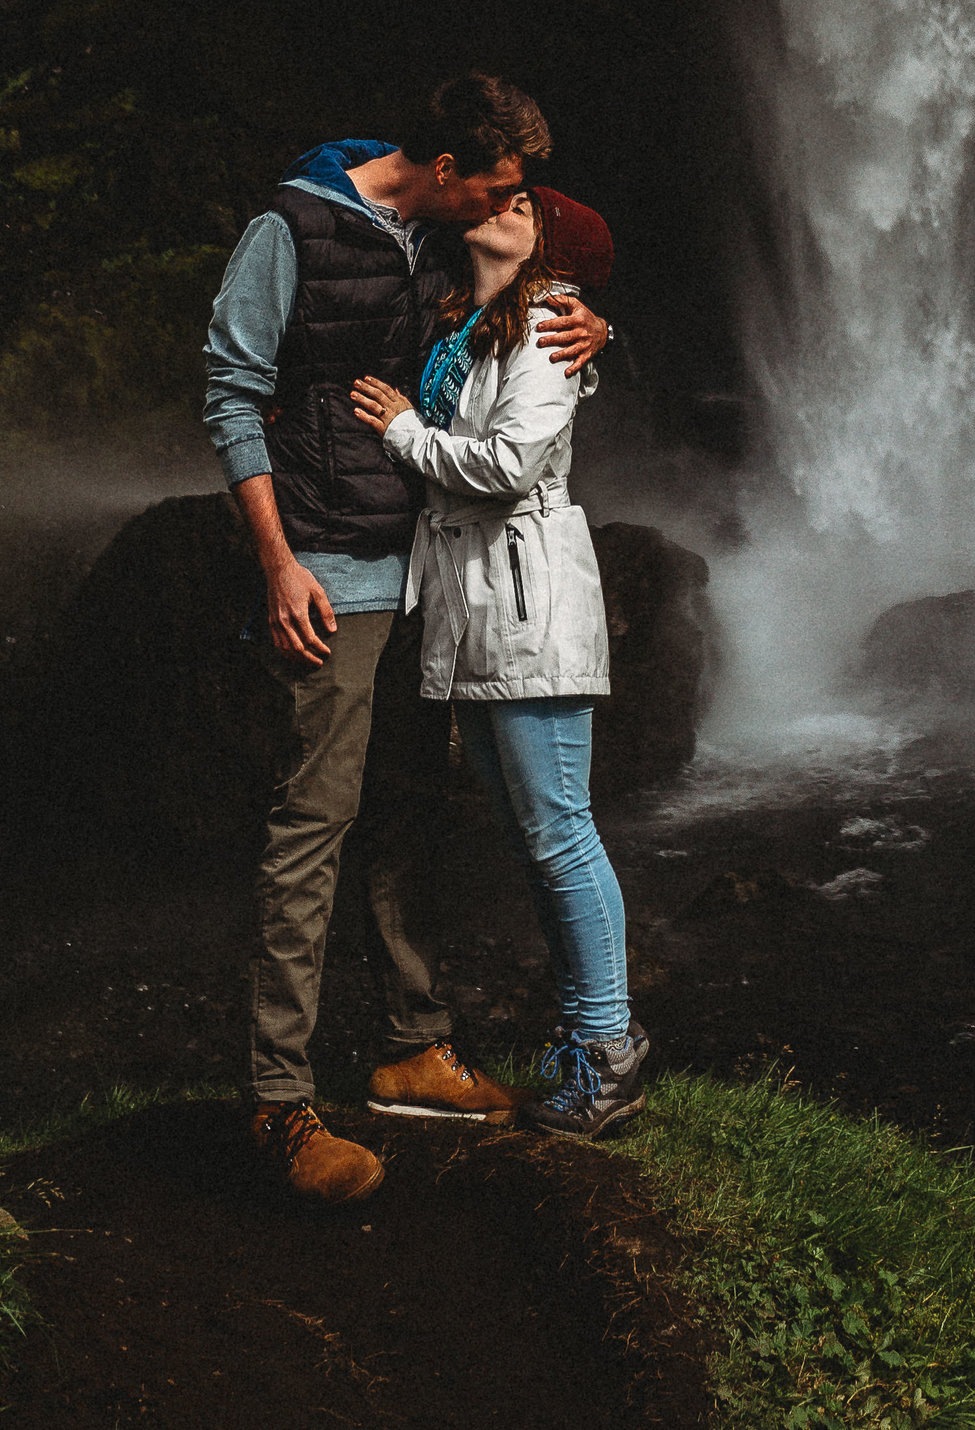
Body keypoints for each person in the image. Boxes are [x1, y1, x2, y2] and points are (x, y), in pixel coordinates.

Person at [201, 72, 612, 1202]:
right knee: (313, 822)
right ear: (446, 172)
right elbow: (233, 395)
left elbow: (495, 346)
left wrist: (590, 318)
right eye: (501, 187)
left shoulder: (432, 241)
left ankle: (411, 1045)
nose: (508, 207)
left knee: (405, 816)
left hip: (428, 571)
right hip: (330, 571)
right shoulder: (290, 231)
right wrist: (279, 566)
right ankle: (278, 1106)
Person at [350, 166, 648, 1139]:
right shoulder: (460, 333)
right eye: (503, 196)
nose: (500, 207)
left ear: (549, 257)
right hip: (477, 616)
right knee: (539, 839)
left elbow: (509, 466)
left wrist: (399, 432)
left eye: (522, 209)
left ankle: (610, 1053)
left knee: (561, 834)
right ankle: (586, 1046)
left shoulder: (550, 328)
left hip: (526, 612)